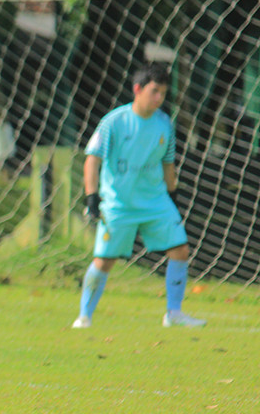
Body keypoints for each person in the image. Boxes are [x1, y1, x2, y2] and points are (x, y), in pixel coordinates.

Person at [72, 63, 205, 329]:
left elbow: (168, 164)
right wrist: (92, 197)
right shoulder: (114, 122)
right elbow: (92, 160)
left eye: (163, 93)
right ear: (137, 89)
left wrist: (173, 196)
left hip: (155, 201)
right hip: (119, 203)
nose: (159, 98)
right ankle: (84, 316)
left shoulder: (164, 124)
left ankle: (174, 314)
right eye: (154, 91)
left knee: (180, 249)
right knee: (104, 260)